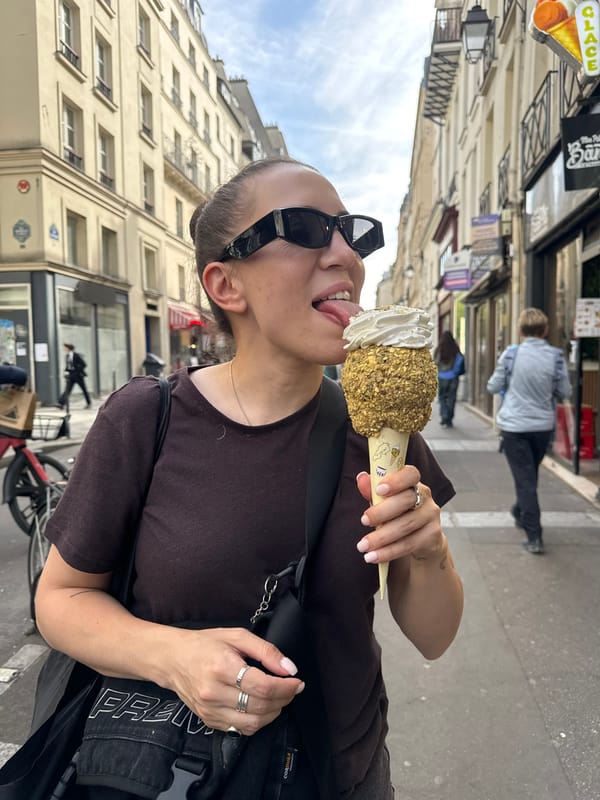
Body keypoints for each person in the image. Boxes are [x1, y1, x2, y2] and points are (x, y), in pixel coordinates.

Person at [36, 157, 464, 799]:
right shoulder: (145, 419)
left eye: (351, 232)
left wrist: (428, 554)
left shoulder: (376, 431)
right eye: (307, 228)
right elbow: (60, 599)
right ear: (226, 285)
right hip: (176, 772)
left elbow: (434, 636)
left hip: (342, 772)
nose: (345, 254)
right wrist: (176, 658)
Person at [487, 307, 572, 555]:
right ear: (545, 330)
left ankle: (534, 535)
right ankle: (519, 511)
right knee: (528, 476)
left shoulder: (511, 355)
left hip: (514, 427)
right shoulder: (556, 357)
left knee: (526, 481)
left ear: (521, 330)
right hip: (542, 428)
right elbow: (565, 392)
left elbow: (493, 386)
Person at [434, 330, 464, 427]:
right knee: (451, 398)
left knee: (442, 398)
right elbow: (461, 359)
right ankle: (449, 419)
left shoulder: (439, 348)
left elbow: (435, 362)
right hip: (453, 377)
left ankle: (444, 416)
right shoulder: (455, 348)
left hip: (442, 377)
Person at [58, 343, 91, 409]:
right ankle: (61, 403)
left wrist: (77, 371)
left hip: (78, 376)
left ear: (68, 348)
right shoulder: (67, 356)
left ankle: (88, 403)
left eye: (65, 347)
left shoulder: (76, 355)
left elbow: (84, 364)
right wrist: (66, 372)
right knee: (67, 390)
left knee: (84, 390)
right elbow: (68, 366)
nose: (64, 349)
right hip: (71, 376)